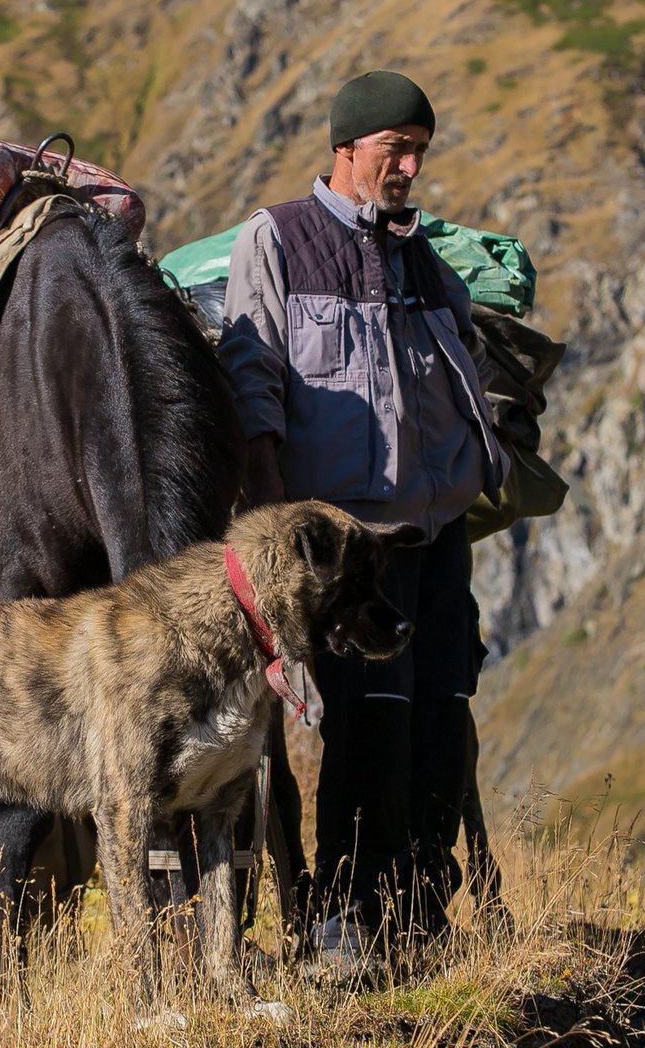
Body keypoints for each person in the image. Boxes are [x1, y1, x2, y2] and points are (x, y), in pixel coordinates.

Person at [218, 70, 509, 960]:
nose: (410, 166)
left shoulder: (416, 255)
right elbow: (251, 380)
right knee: (371, 726)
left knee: (439, 722)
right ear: (346, 150)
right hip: (348, 552)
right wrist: (276, 544)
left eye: (419, 150)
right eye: (396, 150)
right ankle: (349, 920)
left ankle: (422, 915)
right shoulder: (279, 240)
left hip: (436, 534)